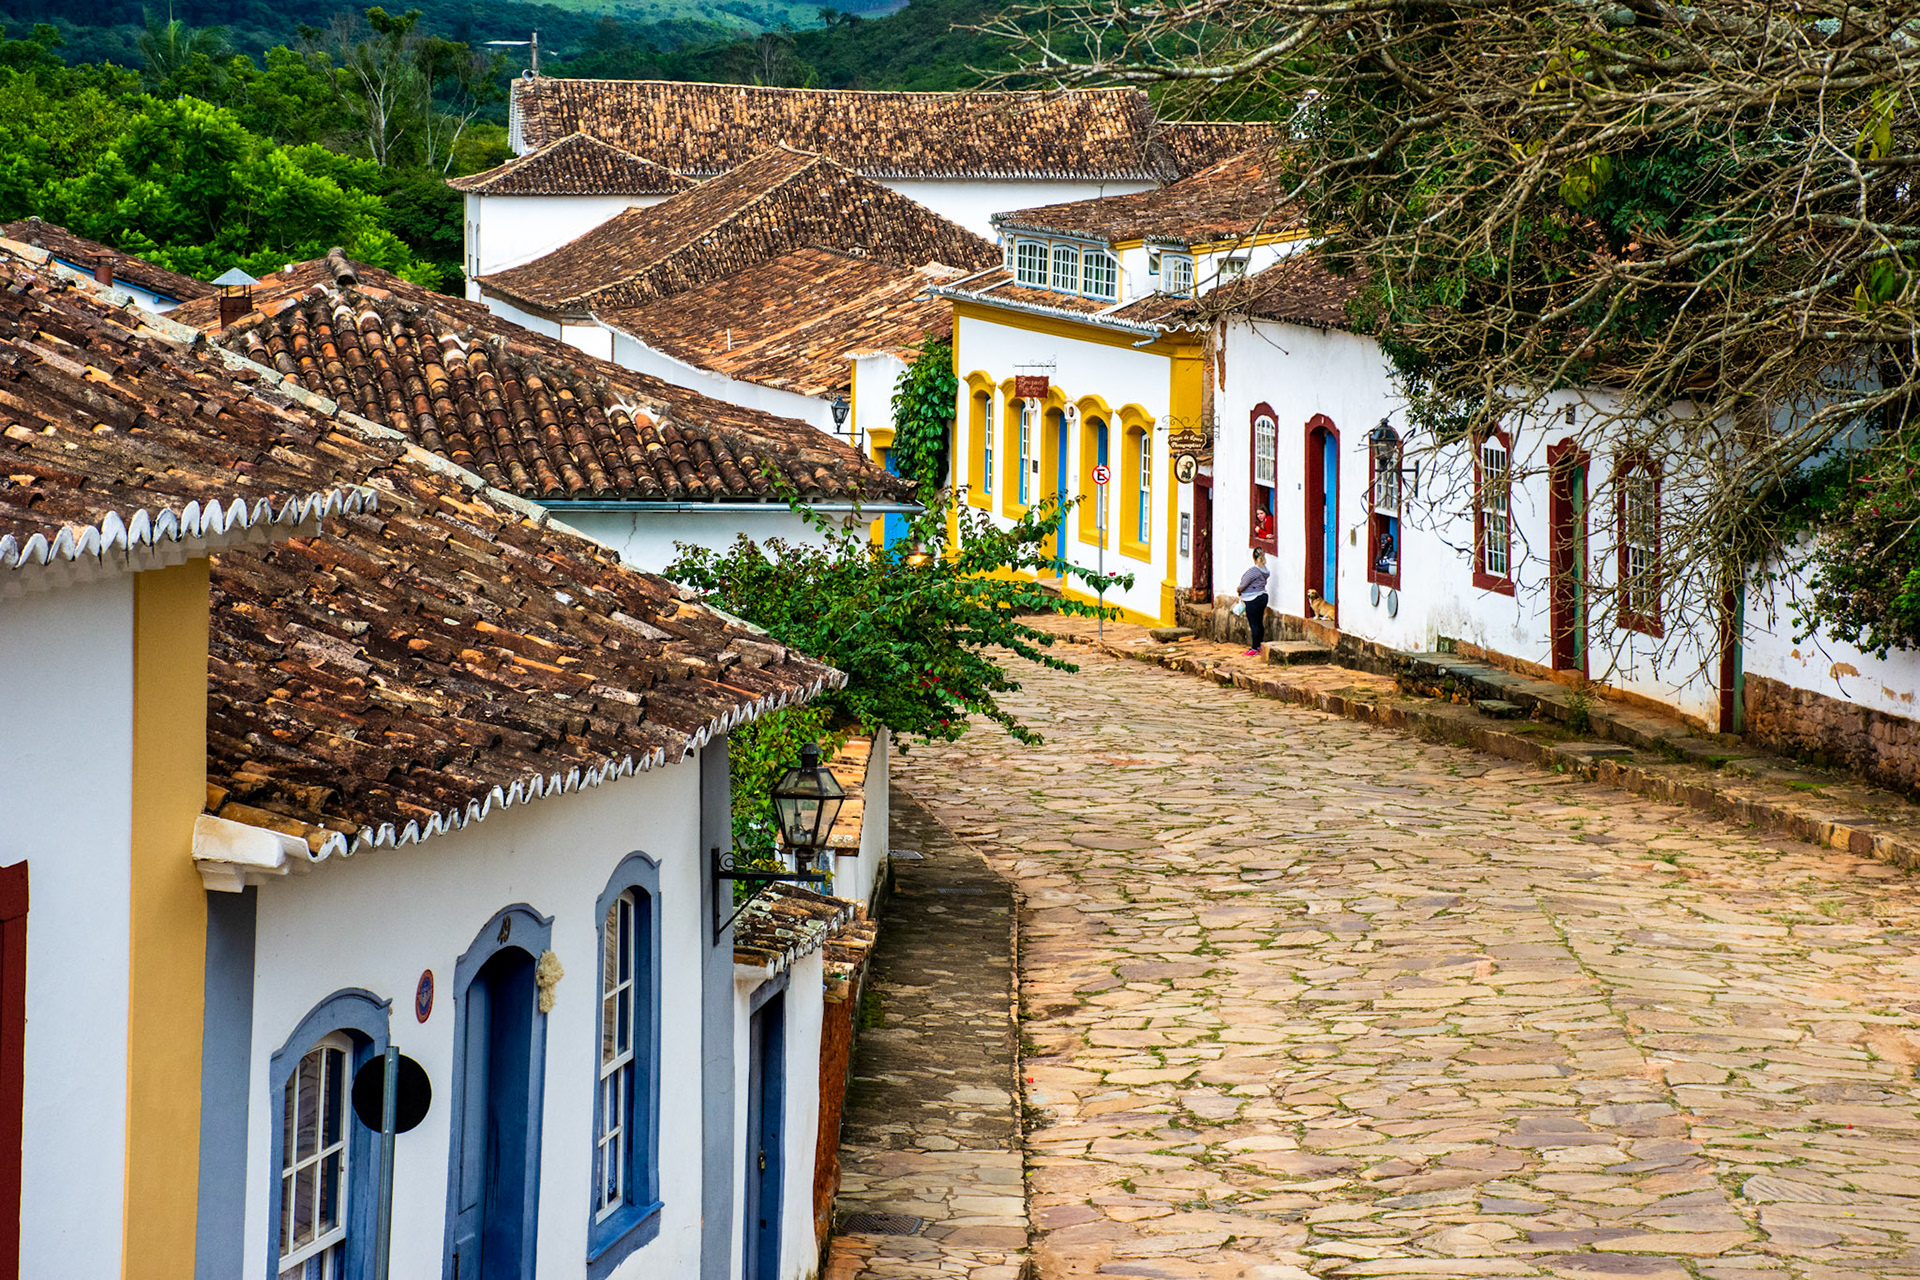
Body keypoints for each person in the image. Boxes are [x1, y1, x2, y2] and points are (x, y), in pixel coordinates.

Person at [1237, 549, 1270, 655]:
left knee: (1254, 624)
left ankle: (1254, 648)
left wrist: (1239, 590)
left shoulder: (1253, 571)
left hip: (1252, 599)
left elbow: (1243, 584)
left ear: (1254, 558)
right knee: (1259, 623)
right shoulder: (1265, 570)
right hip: (1262, 596)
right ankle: (1259, 646)